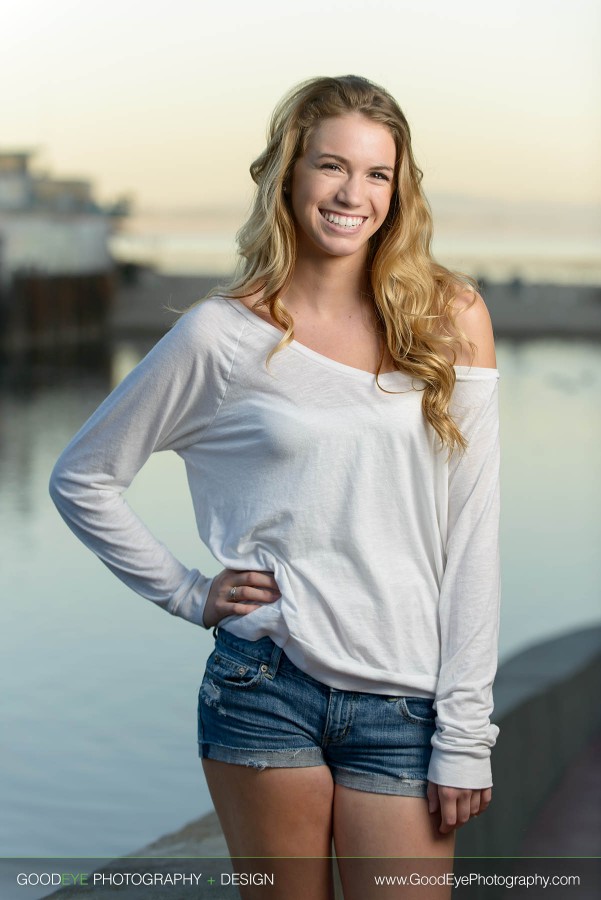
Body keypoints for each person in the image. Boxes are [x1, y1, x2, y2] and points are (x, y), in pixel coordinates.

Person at [50, 75, 501, 900]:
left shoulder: (450, 314)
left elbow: (472, 536)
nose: (351, 194)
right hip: (263, 690)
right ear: (288, 174)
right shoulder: (219, 335)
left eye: (376, 174)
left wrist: (465, 731)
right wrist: (188, 594)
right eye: (331, 166)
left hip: (405, 702)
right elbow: (83, 478)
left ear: (399, 191)